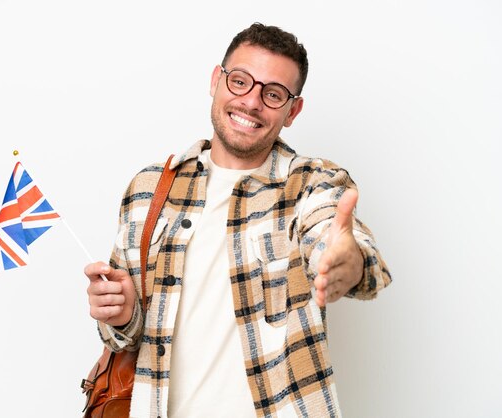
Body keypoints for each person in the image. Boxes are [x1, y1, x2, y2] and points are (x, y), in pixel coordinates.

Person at [84, 22, 391, 418]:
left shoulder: (311, 183)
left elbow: (343, 244)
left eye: (273, 93)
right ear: (217, 80)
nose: (251, 103)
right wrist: (120, 313)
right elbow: (124, 336)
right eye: (241, 81)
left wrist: (347, 261)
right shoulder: (148, 190)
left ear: (292, 110)